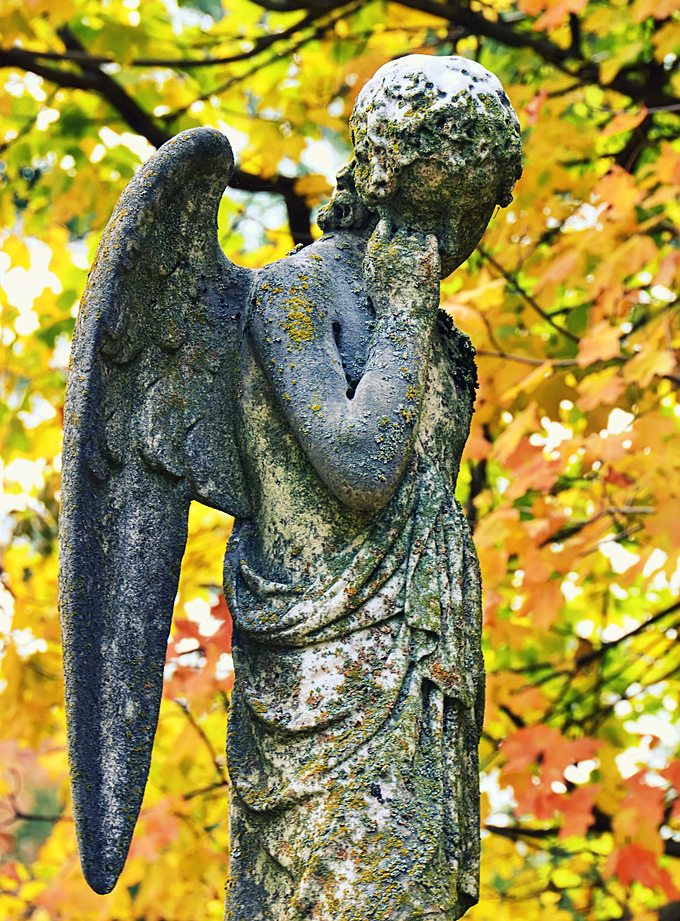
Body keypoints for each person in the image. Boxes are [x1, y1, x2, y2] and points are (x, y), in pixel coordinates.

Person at [224, 55, 522, 920]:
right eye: (430, 212)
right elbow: (359, 471)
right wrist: (397, 322)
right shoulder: (292, 294)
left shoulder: (432, 329)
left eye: (468, 213)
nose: (449, 240)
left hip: (425, 673)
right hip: (325, 682)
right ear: (379, 185)